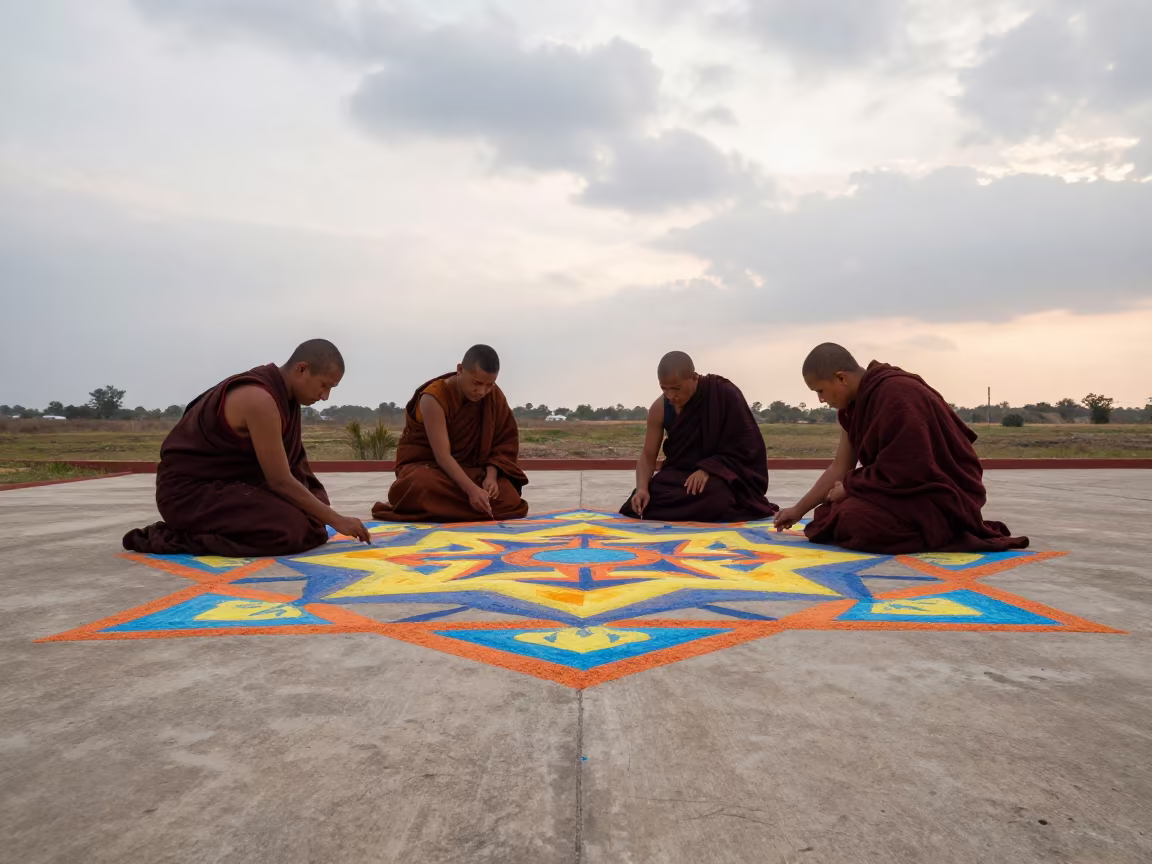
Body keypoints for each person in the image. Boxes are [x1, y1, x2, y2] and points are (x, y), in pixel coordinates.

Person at [774, 343, 1028, 554]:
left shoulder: (897, 393)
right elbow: (840, 466)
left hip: (938, 494)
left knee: (856, 521)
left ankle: (942, 528)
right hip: (899, 491)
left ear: (841, 377)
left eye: (820, 390)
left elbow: (912, 467)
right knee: (829, 514)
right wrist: (798, 510)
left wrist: (850, 487)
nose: (820, 399)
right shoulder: (853, 408)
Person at [123, 339, 371, 556]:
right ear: (302, 369)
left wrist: (322, 513)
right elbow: (280, 481)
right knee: (287, 529)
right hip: (190, 494)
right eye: (324, 385)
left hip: (233, 484)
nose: (325, 396)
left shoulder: (287, 398)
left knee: (313, 518)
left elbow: (293, 465)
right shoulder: (260, 400)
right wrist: (336, 520)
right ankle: (175, 536)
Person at [372, 344, 528, 522]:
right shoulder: (433, 397)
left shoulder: (493, 396)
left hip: (470, 470)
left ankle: (451, 507)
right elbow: (442, 456)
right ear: (460, 369)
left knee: (509, 496)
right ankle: (471, 504)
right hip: (432, 468)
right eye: (476, 383)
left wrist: (491, 477)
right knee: (419, 486)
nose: (482, 392)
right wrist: (471, 490)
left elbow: (502, 443)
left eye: (489, 385)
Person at [620, 351, 778, 522]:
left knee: (718, 496)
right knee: (648, 496)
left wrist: (710, 468)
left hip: (719, 476)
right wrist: (642, 488)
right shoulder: (660, 408)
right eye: (664, 388)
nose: (671, 396)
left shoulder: (723, 393)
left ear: (694, 377)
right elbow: (647, 456)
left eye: (676, 388)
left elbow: (747, 446)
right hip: (681, 476)